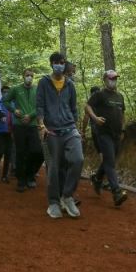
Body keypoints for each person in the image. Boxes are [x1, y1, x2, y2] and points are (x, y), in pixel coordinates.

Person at [36, 52, 83, 219]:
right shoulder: (43, 83)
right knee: (54, 167)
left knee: (78, 159)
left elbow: (74, 108)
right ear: (51, 64)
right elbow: (39, 107)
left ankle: (67, 196)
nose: (59, 65)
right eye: (56, 62)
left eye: (62, 62)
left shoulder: (70, 84)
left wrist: (76, 126)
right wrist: (42, 126)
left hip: (69, 128)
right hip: (52, 131)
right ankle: (54, 202)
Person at [84, 70, 128, 207]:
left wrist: (123, 129)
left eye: (115, 78)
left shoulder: (120, 96)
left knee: (110, 159)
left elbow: (123, 114)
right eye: (110, 78)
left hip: (116, 134)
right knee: (110, 162)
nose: (113, 80)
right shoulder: (99, 95)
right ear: (104, 79)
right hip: (103, 133)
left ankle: (97, 178)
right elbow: (87, 106)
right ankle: (116, 192)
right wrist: (95, 118)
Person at [3, 68, 43, 192]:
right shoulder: (16, 89)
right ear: (23, 76)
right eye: (27, 75)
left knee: (37, 151)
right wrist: (14, 111)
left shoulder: (37, 89)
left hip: (32, 124)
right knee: (20, 152)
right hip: (18, 125)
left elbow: (41, 106)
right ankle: (21, 180)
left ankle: (30, 175)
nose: (29, 77)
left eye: (31, 75)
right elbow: (5, 101)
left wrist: (30, 116)